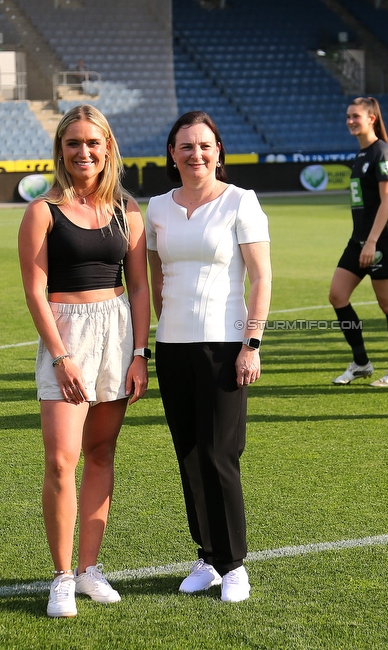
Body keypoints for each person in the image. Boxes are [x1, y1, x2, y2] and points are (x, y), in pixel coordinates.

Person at [17, 104, 151, 618]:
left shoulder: (126, 209)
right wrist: (61, 355)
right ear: (61, 150)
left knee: (101, 454)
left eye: (93, 142)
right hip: (66, 333)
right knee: (60, 460)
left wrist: (140, 353)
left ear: (108, 147)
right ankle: (62, 576)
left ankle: (91, 569)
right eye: (73, 143)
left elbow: (138, 286)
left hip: (118, 332)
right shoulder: (41, 211)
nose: (84, 152)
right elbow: (35, 289)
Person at [145, 111, 272, 603]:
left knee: (221, 455)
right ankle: (206, 558)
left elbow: (260, 277)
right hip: (173, 347)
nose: (195, 154)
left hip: (226, 346)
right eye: (185, 146)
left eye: (204, 145)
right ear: (172, 153)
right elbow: (157, 279)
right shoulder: (157, 207)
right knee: (190, 455)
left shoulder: (241, 201)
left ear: (219, 150)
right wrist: (165, 327)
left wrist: (251, 344)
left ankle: (234, 564)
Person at [329, 96, 388, 387]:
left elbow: (387, 200)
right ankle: (362, 363)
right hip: (359, 240)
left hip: (382, 240)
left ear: (371, 119)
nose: (351, 120)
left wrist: (372, 241)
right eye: (348, 116)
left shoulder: (382, 153)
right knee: (337, 295)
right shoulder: (362, 155)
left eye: (356, 116)